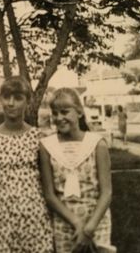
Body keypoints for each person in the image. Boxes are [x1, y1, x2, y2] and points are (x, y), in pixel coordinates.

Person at [39, 88, 115, 253]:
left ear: (79, 112)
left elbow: (106, 192)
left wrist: (88, 229)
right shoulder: (47, 146)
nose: (59, 118)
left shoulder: (97, 144)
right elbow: (49, 195)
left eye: (65, 112)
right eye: (55, 113)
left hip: (96, 222)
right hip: (65, 222)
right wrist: (77, 223)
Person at [0, 76, 54, 253]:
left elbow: (48, 187)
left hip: (34, 220)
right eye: (6, 97)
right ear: (0, 99)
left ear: (28, 101)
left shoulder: (39, 138)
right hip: (0, 222)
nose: (11, 103)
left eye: (18, 98)